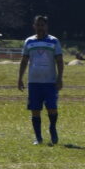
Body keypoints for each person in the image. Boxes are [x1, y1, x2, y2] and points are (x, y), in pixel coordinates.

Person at [16, 14, 65, 145]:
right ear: (34, 26)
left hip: (50, 82)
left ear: (46, 26)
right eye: (38, 25)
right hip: (34, 82)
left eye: (42, 25)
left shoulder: (54, 41)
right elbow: (24, 60)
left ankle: (52, 128)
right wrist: (20, 78)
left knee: (52, 108)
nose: (40, 27)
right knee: (35, 110)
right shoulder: (29, 41)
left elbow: (59, 61)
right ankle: (38, 138)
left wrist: (60, 78)